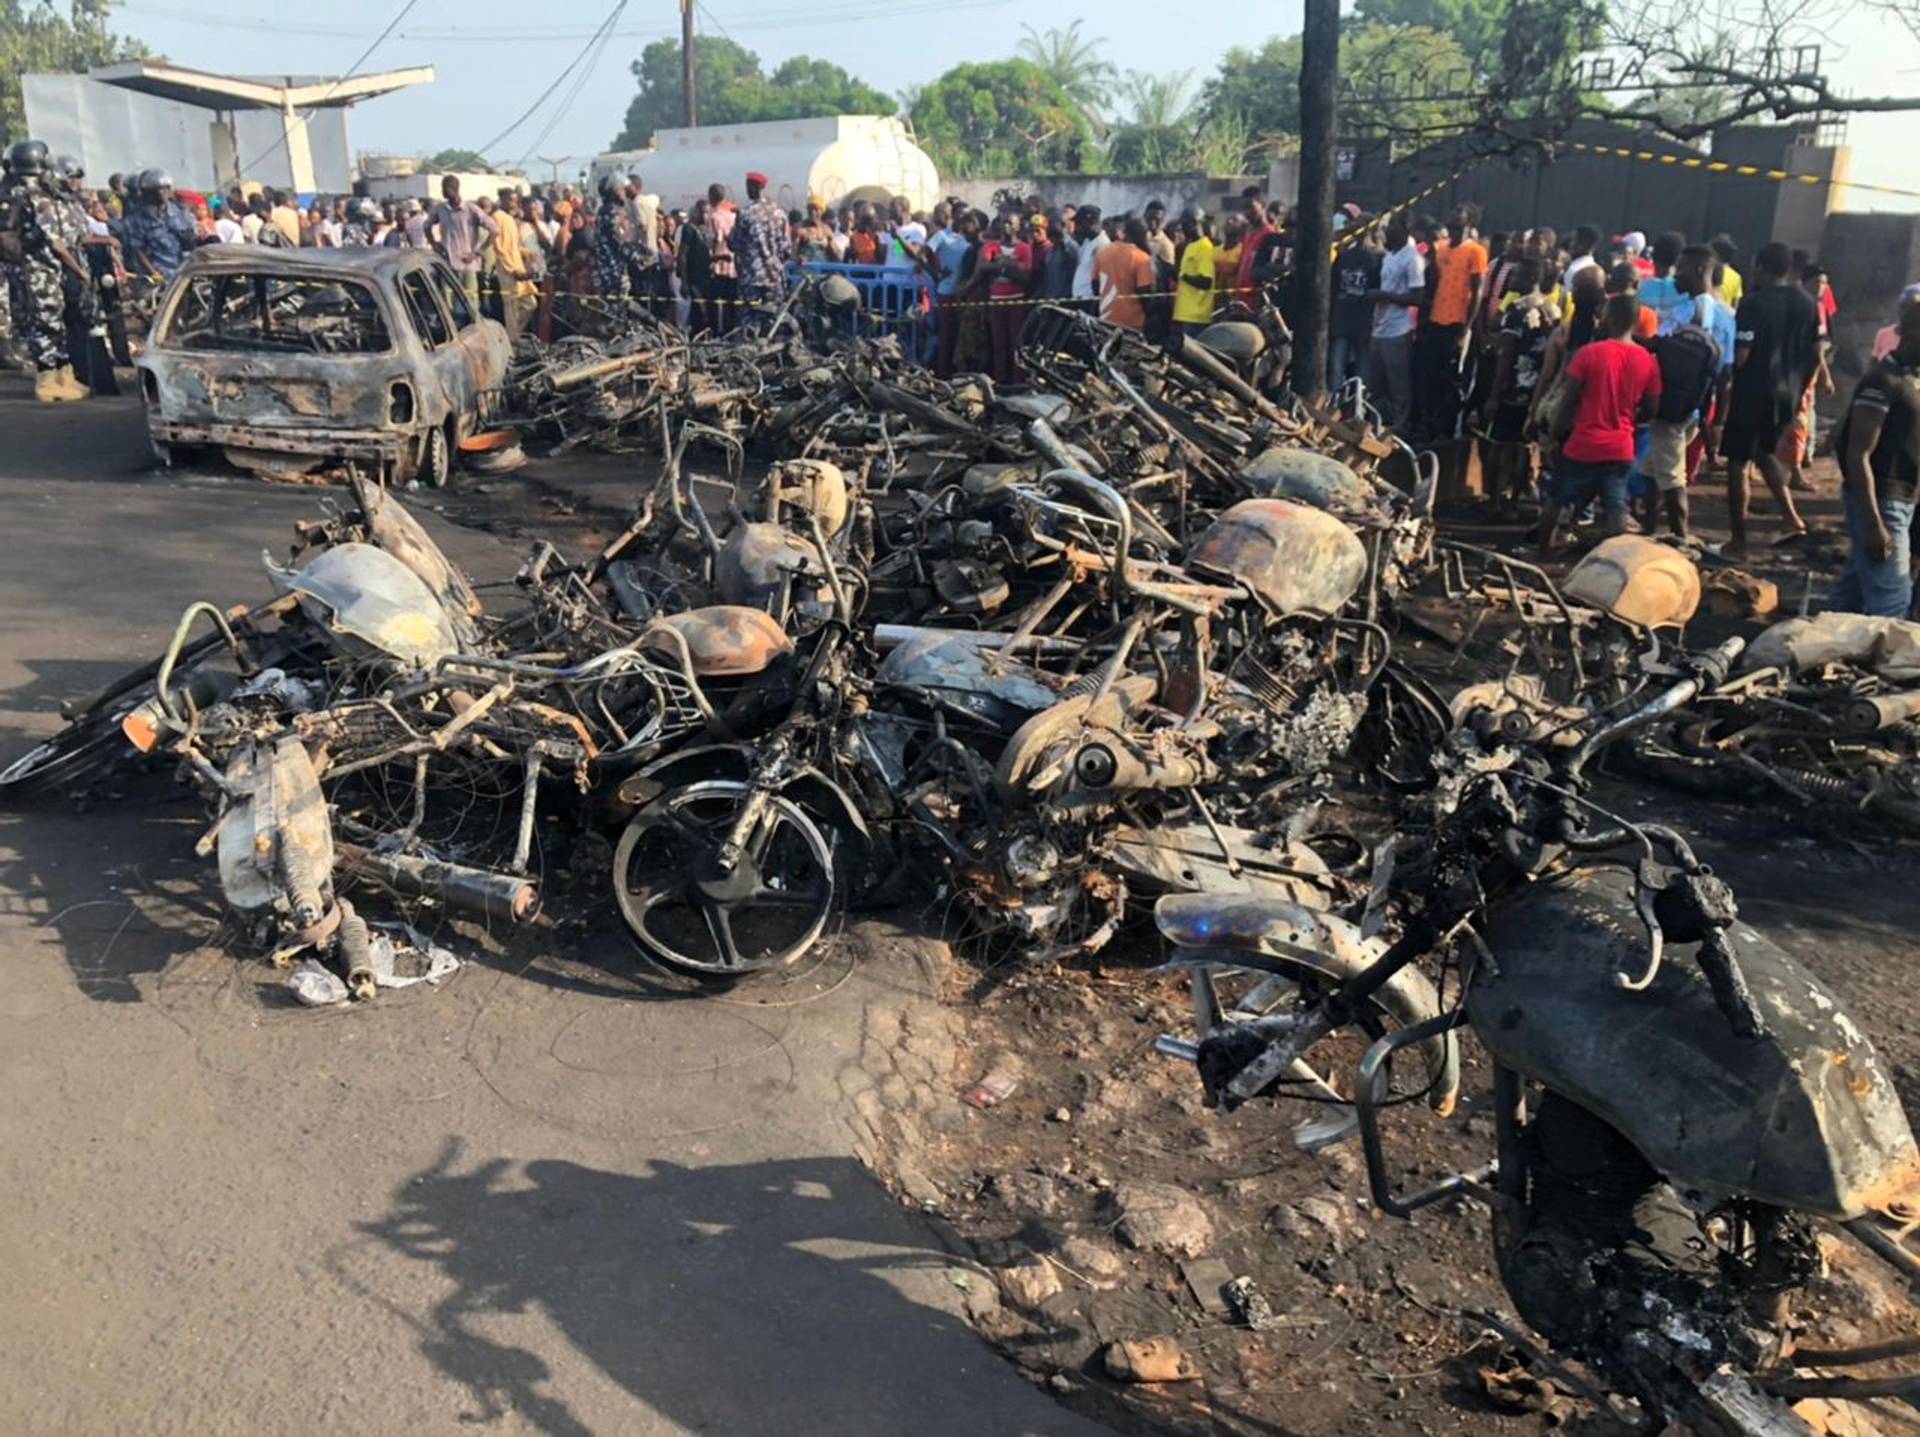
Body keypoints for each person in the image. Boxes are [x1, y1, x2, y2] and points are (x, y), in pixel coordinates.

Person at [1539, 293, 1662, 554]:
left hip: (1583, 443)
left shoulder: (1588, 354)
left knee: (1557, 498)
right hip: (1621, 446)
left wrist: (1553, 436)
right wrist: (1627, 420)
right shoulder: (1647, 360)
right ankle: (1615, 558)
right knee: (1616, 504)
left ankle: (1542, 550)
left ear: (1611, 318)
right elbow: (1651, 408)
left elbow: (1568, 401)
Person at [1829, 285, 1920, 616]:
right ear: (1908, 331)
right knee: (1893, 599)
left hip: (1906, 498)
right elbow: (1857, 454)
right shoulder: (1882, 380)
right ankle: (1891, 667)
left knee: (1853, 593)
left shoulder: (1911, 378)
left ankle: (1824, 646)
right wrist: (1873, 523)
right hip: (1884, 499)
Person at [1724, 241, 1819, 557]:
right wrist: (1800, 389)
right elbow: (1816, 354)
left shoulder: (1754, 304)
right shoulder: (1807, 304)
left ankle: (1738, 540)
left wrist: (1726, 381)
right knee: (1764, 453)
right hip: (1788, 393)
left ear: (1761, 268)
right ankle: (1792, 518)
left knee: (1737, 463)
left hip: (1753, 391)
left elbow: (1742, 355)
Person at [1637, 245, 1734, 541]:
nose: (1676, 277)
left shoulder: (1693, 312)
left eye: (1681, 269)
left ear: (1699, 271)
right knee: (1652, 470)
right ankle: (1649, 531)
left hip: (1674, 405)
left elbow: (1669, 351)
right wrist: (1715, 418)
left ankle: (1682, 538)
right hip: (1696, 404)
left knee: (1670, 476)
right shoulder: (1726, 314)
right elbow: (1726, 372)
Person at [2, 140, 89, 402]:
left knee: (55, 322)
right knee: (46, 323)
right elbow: (55, 242)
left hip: (44, 268)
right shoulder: (35, 197)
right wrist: (79, 271)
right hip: (40, 269)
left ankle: (65, 376)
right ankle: (47, 380)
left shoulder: (20, 192)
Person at [1478, 255, 1557, 511]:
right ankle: (1513, 501)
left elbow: (1506, 354)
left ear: (1531, 278)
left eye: (1518, 275)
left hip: (1510, 387)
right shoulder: (1551, 310)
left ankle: (1495, 501)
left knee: (1498, 446)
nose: (1511, 279)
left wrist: (1493, 394)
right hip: (1536, 391)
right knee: (1524, 447)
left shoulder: (1518, 311)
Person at [1362, 217, 1423, 431]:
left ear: (1405, 229)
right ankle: (1377, 423)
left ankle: (1401, 424)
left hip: (1398, 329)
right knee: (1375, 382)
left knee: (1398, 382)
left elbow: (1416, 297)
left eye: (1392, 227)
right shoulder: (1389, 256)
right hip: (1379, 327)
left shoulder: (1412, 258)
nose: (1386, 231)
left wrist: (1384, 295)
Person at [429, 175, 498, 313]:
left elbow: (495, 231)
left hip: (468, 265)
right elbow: (427, 226)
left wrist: (477, 252)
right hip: (448, 265)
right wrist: (434, 244)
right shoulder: (440, 209)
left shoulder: (471, 209)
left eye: (444, 188)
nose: (442, 191)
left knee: (470, 304)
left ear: (452, 189)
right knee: (449, 306)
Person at [977, 212, 1031, 384]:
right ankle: (1000, 381)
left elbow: (1026, 277)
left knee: (1016, 344)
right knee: (998, 344)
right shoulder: (991, 246)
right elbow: (983, 266)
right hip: (996, 300)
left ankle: (1018, 381)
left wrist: (1003, 266)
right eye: (1002, 222)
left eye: (1009, 222)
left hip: (1016, 300)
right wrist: (1009, 265)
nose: (1005, 226)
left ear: (1018, 226)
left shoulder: (1024, 248)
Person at [1330, 222, 1381, 392]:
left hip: (1363, 320)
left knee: (1359, 367)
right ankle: (1335, 404)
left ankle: (1357, 405)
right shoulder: (1343, 256)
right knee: (1338, 366)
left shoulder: (1377, 258)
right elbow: (1334, 286)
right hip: (1343, 319)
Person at [731, 170, 793, 305]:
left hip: (751, 277)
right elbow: (786, 249)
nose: (746, 190)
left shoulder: (745, 213)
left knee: (749, 320)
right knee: (774, 318)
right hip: (774, 276)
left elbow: (736, 245)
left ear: (755, 187)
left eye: (748, 186)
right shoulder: (779, 213)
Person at [927, 205, 973, 378]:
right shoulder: (942, 236)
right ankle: (943, 373)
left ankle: (959, 373)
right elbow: (923, 255)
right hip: (945, 291)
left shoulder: (969, 240)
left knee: (960, 336)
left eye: (966, 217)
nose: (962, 219)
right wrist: (936, 274)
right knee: (945, 335)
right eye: (959, 215)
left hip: (963, 293)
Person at [1094, 215, 1155, 331]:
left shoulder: (1104, 251)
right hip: (1132, 324)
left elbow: (1095, 283)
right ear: (1143, 235)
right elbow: (1145, 293)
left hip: (1106, 319)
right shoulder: (1142, 258)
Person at [1172, 208, 1215, 338]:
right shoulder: (1190, 246)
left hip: (1196, 316)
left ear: (1195, 224)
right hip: (1185, 313)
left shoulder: (1205, 247)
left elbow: (1206, 281)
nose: (1183, 229)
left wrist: (1182, 275)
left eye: (1185, 225)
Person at [704, 183, 738, 331]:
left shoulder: (715, 216)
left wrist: (712, 260)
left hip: (719, 267)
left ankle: (716, 332)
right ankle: (732, 331)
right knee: (732, 304)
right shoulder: (733, 216)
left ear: (711, 196)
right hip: (734, 267)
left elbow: (717, 240)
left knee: (715, 304)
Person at [678, 198, 714, 334]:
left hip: (706, 277)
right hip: (693, 278)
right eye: (702, 212)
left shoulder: (706, 230)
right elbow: (682, 256)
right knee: (699, 311)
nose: (705, 216)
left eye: (707, 212)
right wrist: (684, 282)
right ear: (696, 212)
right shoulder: (689, 229)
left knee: (707, 313)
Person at [1069, 205, 1106, 312]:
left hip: (1089, 303)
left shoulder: (1101, 244)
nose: (1077, 227)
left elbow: (1099, 281)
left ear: (1089, 222)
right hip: (1080, 301)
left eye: (1079, 223)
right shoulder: (1088, 242)